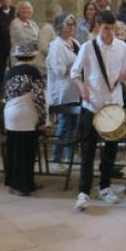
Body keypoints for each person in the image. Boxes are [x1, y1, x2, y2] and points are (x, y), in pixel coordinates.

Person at [70, 11, 126, 211]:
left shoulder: (122, 47)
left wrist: (124, 75)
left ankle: (105, 187)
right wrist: (82, 88)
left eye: (112, 28)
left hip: (114, 105)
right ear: (98, 26)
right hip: (92, 105)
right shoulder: (87, 47)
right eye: (106, 28)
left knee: (110, 150)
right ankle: (83, 192)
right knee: (88, 150)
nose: (109, 33)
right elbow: (75, 72)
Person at [2, 41, 46, 196]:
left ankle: (17, 183)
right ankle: (24, 185)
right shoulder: (33, 71)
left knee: (14, 150)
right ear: (32, 57)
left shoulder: (9, 72)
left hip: (10, 114)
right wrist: (42, 119)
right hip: (27, 113)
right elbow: (38, 97)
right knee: (28, 151)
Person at [45, 14, 81, 168]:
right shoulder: (56, 46)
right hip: (62, 91)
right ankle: (56, 157)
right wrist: (76, 68)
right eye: (68, 24)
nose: (71, 27)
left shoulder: (75, 42)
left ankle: (70, 155)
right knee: (64, 125)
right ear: (60, 27)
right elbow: (59, 70)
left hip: (75, 90)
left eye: (73, 24)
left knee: (74, 125)